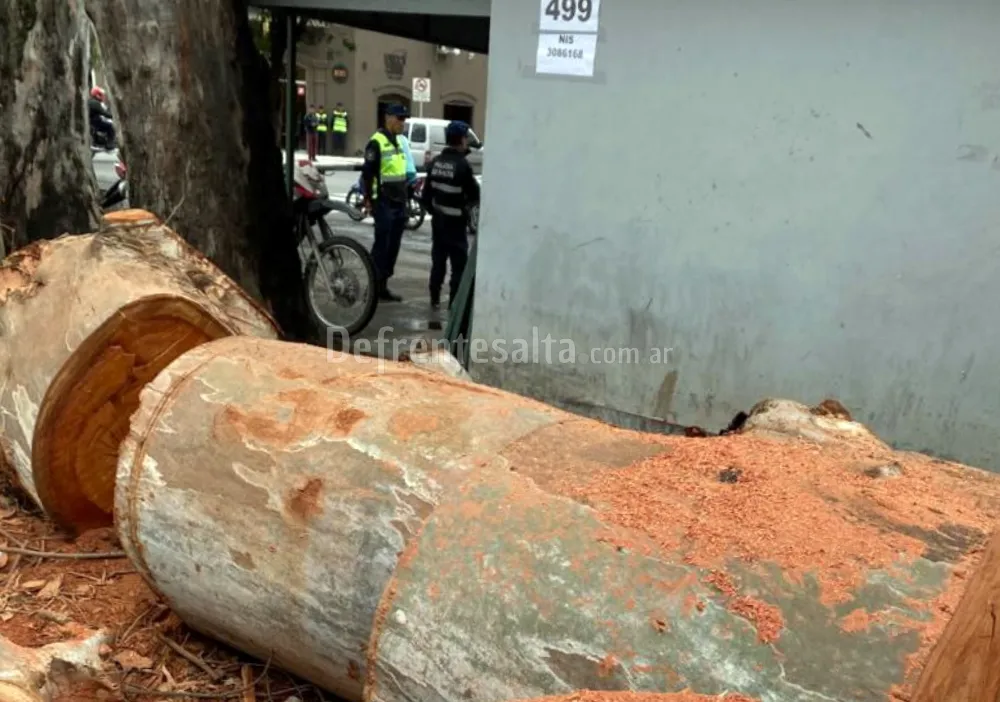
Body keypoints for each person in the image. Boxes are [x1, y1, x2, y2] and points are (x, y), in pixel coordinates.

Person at [420, 120, 480, 310]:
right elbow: (475, 194)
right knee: (458, 267)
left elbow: (426, 196)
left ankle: (434, 299)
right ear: (462, 140)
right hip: (456, 225)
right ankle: (454, 303)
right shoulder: (463, 166)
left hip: (438, 224)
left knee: (438, 262)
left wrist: (436, 212)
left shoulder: (435, 163)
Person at [361, 103, 410, 302]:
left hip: (399, 202)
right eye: (399, 119)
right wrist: (369, 200)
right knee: (382, 246)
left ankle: (383, 286)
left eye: (404, 119)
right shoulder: (377, 142)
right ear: (388, 118)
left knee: (393, 248)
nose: (402, 123)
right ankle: (372, 289)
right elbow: (368, 174)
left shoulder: (398, 141)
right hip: (384, 202)